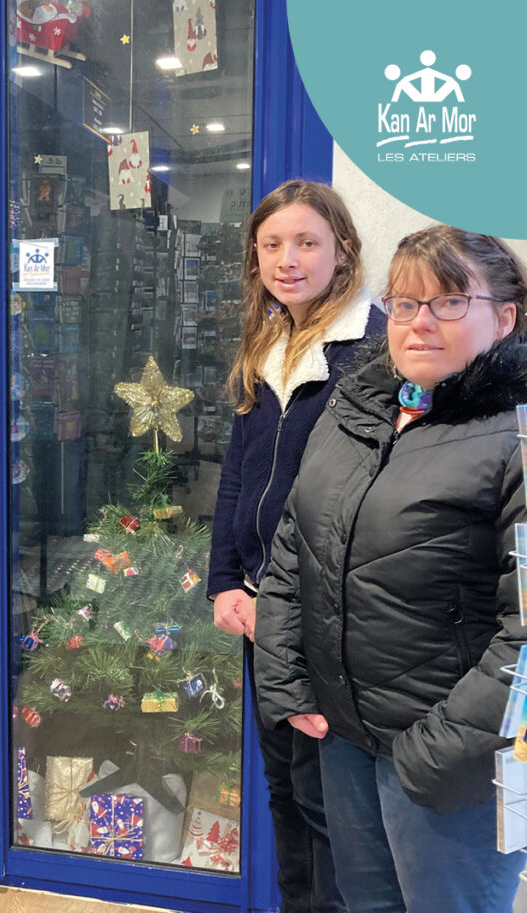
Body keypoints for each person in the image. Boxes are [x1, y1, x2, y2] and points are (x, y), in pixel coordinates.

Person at [254, 224, 527, 913]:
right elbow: (294, 545)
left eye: (448, 302)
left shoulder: (516, 438)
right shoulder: (359, 407)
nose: (419, 322)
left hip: (452, 769)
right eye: (404, 304)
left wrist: (430, 755)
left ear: (506, 317)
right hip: (346, 739)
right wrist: (287, 677)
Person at [208, 179, 384, 912]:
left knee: (327, 809)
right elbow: (238, 473)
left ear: (341, 249)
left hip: (324, 619)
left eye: (307, 241)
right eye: (272, 244)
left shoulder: (373, 351)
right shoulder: (270, 340)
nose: (288, 258)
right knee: (282, 790)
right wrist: (224, 578)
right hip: (259, 612)